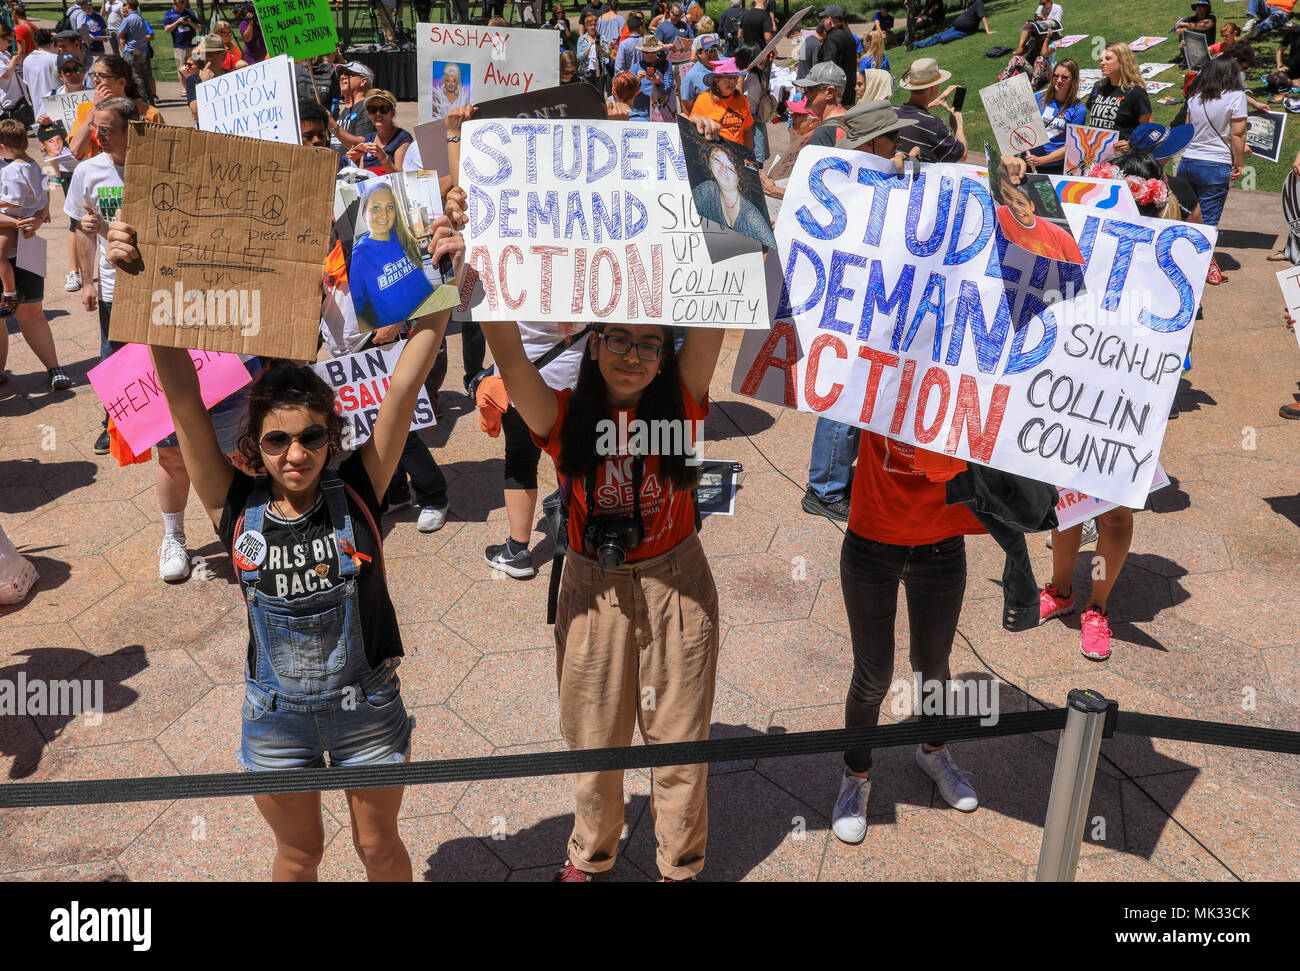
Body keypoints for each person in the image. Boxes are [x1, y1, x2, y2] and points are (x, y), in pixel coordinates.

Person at [105, 195, 467, 881]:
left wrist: (441, 275)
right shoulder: (232, 501)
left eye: (309, 437)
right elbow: (181, 394)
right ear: (255, 445)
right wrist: (139, 280)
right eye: (277, 439)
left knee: (378, 848)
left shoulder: (363, 483)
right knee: (299, 853)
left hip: (368, 707)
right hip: (275, 719)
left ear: (332, 438)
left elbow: (410, 373)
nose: (294, 453)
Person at [480, 312, 726, 882]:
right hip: (594, 587)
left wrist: (737, 232)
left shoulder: (682, 404)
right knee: (593, 740)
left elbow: (715, 312)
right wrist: (479, 277)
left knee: (681, 743)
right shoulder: (565, 415)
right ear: (593, 347)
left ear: (666, 356)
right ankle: (590, 856)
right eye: (617, 339)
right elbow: (513, 362)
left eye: (649, 345)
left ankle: (680, 866)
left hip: (677, 583)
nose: (632, 355)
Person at [829, 104, 991, 847]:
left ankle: (933, 752)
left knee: (933, 669)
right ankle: (855, 773)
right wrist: (879, 200)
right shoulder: (869, 341)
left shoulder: (973, 350)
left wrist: (1012, 188)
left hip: (941, 546)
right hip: (871, 538)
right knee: (871, 676)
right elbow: (830, 273)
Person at [481, 322, 589, 577]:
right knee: (575, 458)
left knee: (520, 459)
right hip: (580, 375)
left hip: (525, 380)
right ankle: (584, 537)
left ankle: (517, 550)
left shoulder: (512, 280)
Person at [347, 179, 434, 332]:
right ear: (363, 215)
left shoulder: (400, 235)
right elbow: (356, 310)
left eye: (390, 207)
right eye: (375, 208)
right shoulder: (359, 256)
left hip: (431, 313)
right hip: (401, 332)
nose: (384, 215)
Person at [1177, 55, 1246, 229]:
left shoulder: (1194, 97)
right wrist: (1238, 164)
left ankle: (1181, 255)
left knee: (1184, 216)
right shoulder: (1236, 95)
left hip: (1188, 161)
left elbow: (1187, 131)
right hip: (1216, 163)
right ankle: (1204, 256)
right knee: (1207, 220)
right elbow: (1238, 133)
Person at [69, 54, 164, 161]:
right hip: (103, 174)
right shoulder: (86, 110)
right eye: (94, 75)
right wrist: (94, 109)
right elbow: (76, 150)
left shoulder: (149, 113)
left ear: (121, 82)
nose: (95, 80)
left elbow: (162, 152)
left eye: (102, 76)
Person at [0, 119, 46, 317]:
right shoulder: (34, 163)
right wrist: (41, 214)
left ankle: (10, 292)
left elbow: (14, 201)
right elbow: (46, 187)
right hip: (28, 220)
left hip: (14, 221)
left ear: (3, 147)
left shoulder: (12, 170)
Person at [994, 163, 1084, 263]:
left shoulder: (1060, 235)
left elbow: (1078, 268)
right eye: (1007, 195)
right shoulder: (998, 215)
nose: (1014, 206)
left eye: (1021, 202)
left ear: (1032, 206)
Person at [691, 140, 775, 245]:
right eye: (717, 160)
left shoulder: (750, 217)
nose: (723, 169)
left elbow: (771, 250)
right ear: (709, 163)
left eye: (730, 168)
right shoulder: (707, 190)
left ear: (739, 177)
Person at [895, 57, 967, 163]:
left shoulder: (891, 112)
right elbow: (961, 155)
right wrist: (958, 127)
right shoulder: (933, 124)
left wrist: (933, 103)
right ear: (932, 88)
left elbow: (910, 115)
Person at [1085, 42, 1152, 149]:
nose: (1102, 63)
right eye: (1101, 60)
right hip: (1096, 154)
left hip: (1122, 159)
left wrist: (1131, 145)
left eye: (1108, 59)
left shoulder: (1135, 92)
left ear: (1122, 61)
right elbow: (1095, 120)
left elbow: (1148, 128)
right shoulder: (1098, 87)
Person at [1026, 58, 1086, 174]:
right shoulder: (1039, 98)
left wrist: (1041, 160)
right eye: (1055, 76)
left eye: (1064, 77)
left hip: (1053, 167)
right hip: (1028, 159)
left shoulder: (1078, 110)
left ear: (1073, 80)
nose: (1059, 80)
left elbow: (1071, 146)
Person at [688, 57, 752, 147]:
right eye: (729, 78)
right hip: (715, 154)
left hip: (738, 156)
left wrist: (749, 156)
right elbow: (692, 130)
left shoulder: (741, 99)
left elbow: (747, 130)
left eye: (735, 78)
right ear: (717, 80)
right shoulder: (703, 99)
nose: (734, 82)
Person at [347, 89, 411, 174]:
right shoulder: (369, 137)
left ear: (392, 112)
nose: (378, 113)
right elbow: (361, 172)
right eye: (372, 109)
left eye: (383, 109)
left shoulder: (402, 138)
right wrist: (348, 160)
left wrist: (383, 158)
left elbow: (400, 177)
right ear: (368, 114)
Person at [328, 61, 375, 154]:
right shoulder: (345, 110)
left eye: (348, 74)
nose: (342, 77)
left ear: (363, 81)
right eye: (341, 74)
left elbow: (362, 145)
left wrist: (332, 125)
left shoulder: (367, 108)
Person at [817, 5, 858, 107]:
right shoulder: (850, 36)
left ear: (830, 20)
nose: (823, 21)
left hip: (835, 99)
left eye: (824, 18)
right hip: (849, 93)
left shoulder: (832, 38)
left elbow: (829, 68)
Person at [914, 0, 993, 48]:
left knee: (943, 39)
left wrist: (987, 31)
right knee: (937, 36)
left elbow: (983, 17)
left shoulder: (978, 2)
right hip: (956, 28)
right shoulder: (971, 4)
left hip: (964, 31)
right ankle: (916, 45)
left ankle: (917, 45)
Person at [117, 0, 152, 103]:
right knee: (145, 75)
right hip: (142, 50)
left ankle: (143, 99)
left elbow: (120, 34)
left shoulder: (128, 20)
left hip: (132, 51)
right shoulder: (140, 18)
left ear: (128, 6)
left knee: (136, 76)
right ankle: (150, 98)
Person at [631, 35, 673, 120]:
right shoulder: (636, 67)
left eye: (652, 52)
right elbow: (628, 90)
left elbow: (669, 88)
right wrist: (637, 80)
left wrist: (659, 82)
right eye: (646, 52)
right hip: (641, 112)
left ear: (657, 51)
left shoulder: (666, 65)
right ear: (642, 52)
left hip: (661, 112)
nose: (649, 55)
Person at [680, 32, 719, 113]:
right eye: (709, 50)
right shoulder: (691, 76)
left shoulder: (724, 66)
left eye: (715, 49)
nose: (713, 53)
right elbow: (687, 107)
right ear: (699, 53)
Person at [162, 0, 200, 75]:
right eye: (180, 4)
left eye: (184, 3)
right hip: (179, 45)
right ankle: (184, 87)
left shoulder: (190, 12)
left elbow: (199, 28)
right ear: (175, 4)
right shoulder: (168, 14)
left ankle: (194, 85)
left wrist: (190, 22)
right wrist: (177, 22)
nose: (183, 6)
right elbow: (167, 29)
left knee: (194, 67)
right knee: (181, 69)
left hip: (192, 44)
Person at [577, 13, 610, 94]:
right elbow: (579, 57)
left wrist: (601, 49)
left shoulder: (602, 38)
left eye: (595, 25)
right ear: (586, 26)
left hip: (599, 70)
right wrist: (588, 50)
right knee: (587, 94)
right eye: (591, 25)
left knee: (599, 94)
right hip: (586, 71)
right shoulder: (582, 39)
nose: (593, 27)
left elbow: (608, 54)